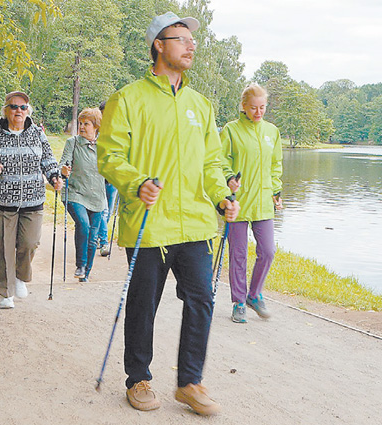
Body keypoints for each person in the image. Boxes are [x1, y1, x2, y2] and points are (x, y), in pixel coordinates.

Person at [97, 11, 239, 416]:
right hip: (149, 223)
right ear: (158, 44)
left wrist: (220, 197)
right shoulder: (129, 98)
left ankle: (190, 382)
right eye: (181, 38)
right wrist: (135, 181)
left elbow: (212, 163)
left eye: (193, 39)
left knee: (202, 299)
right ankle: (138, 378)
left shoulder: (201, 105)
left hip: (195, 223)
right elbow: (109, 156)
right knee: (144, 304)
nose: (191, 44)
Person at [0, 91, 62, 310]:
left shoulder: (37, 134)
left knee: (30, 243)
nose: (18, 111)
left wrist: (54, 176)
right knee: (3, 248)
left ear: (27, 111)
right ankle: (6, 291)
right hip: (2, 201)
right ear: (6, 110)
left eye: (22, 107)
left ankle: (21, 276)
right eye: (13, 107)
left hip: (33, 200)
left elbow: (48, 159)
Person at [220, 83, 283, 323]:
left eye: (262, 107)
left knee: (267, 251)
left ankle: (254, 295)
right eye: (254, 108)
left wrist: (276, 189)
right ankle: (238, 301)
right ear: (244, 106)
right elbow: (220, 160)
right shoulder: (231, 130)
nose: (258, 112)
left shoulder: (272, 132)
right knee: (238, 254)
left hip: (263, 201)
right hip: (238, 202)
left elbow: (276, 164)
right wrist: (228, 178)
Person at [59, 107, 106, 282]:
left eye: (86, 124)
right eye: (80, 123)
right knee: (84, 225)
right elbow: (62, 164)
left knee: (93, 237)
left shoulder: (104, 146)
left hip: (97, 196)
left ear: (96, 127)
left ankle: (86, 271)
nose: (82, 127)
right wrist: (63, 170)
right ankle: (80, 265)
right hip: (75, 193)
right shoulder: (73, 143)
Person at [95, 101, 117, 257]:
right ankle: (103, 242)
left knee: (108, 212)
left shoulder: (118, 131)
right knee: (103, 211)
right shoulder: (96, 132)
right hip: (99, 178)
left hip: (113, 179)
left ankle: (96, 236)